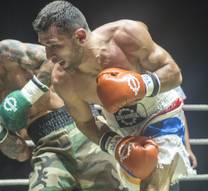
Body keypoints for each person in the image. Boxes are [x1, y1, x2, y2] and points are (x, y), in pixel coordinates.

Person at [28, 1, 197, 190]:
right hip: (121, 131)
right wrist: (115, 145)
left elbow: (174, 73)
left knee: (152, 186)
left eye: (54, 46)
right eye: (45, 46)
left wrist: (139, 85)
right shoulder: (63, 81)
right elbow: (85, 123)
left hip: (160, 113)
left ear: (80, 36)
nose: (48, 55)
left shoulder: (126, 35)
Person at [0, 39, 124, 191]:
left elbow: (54, 59)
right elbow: (21, 154)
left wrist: (27, 94)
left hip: (81, 124)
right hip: (47, 147)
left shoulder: (5, 54)